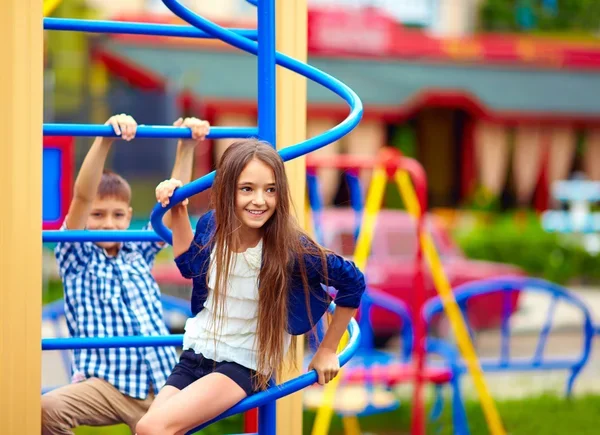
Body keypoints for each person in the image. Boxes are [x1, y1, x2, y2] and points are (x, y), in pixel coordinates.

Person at [136, 139, 366, 435]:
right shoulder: (213, 226)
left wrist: (327, 350)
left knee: (154, 427)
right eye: (247, 189)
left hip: (244, 364)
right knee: (146, 429)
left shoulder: (290, 247)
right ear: (228, 189)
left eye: (270, 190)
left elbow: (352, 282)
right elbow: (188, 265)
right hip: (198, 352)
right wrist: (178, 209)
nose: (260, 200)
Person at [41, 113, 210, 434]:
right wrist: (106, 138)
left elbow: (175, 203)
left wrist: (186, 146)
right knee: (48, 408)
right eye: (98, 214)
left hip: (162, 381)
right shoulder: (76, 253)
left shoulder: (138, 248)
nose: (108, 223)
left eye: (118, 215)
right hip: (108, 384)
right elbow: (82, 195)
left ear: (129, 216)